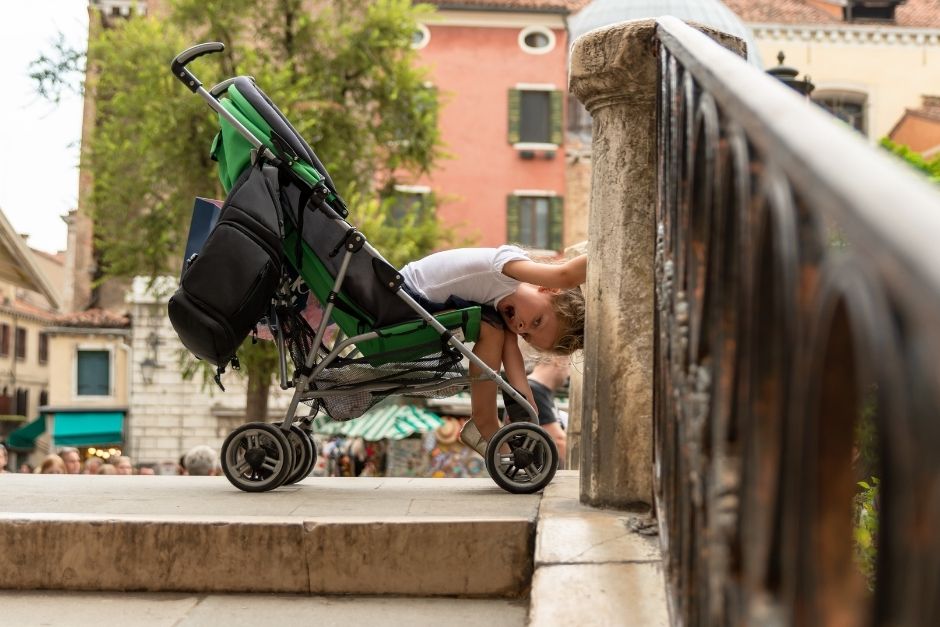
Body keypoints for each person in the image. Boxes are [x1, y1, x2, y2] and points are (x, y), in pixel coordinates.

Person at [399, 246, 586, 456]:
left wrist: (528, 409)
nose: (521, 328)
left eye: (526, 335)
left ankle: (490, 431)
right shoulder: (508, 269)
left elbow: (513, 362)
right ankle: (484, 422)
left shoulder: (498, 305)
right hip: (403, 295)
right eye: (537, 321)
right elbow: (566, 275)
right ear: (549, 288)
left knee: (495, 330)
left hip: (415, 302)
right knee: (491, 330)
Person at [501, 355, 569, 467]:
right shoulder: (534, 391)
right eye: (569, 365)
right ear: (558, 360)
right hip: (537, 471)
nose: (568, 374)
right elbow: (558, 440)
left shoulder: (540, 392)